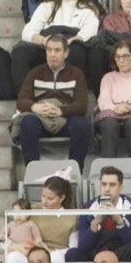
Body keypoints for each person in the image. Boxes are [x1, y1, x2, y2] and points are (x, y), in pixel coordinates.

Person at [13, 34, 91, 167]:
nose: (52, 54)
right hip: (41, 117)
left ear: (66, 53)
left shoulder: (76, 74)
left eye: (57, 50)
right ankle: (33, 170)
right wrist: (35, 107)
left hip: (65, 118)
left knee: (81, 125)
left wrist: (61, 111)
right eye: (49, 50)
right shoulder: (35, 73)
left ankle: (74, 170)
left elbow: (82, 104)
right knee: (28, 123)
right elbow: (21, 100)